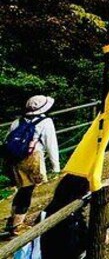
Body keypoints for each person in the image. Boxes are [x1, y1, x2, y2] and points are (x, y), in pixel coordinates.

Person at [4, 95, 60, 236]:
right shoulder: (45, 122)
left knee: (22, 189)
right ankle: (17, 225)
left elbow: (7, 140)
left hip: (15, 161)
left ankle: (12, 221)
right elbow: (51, 145)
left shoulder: (18, 121)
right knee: (26, 192)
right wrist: (56, 167)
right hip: (32, 160)